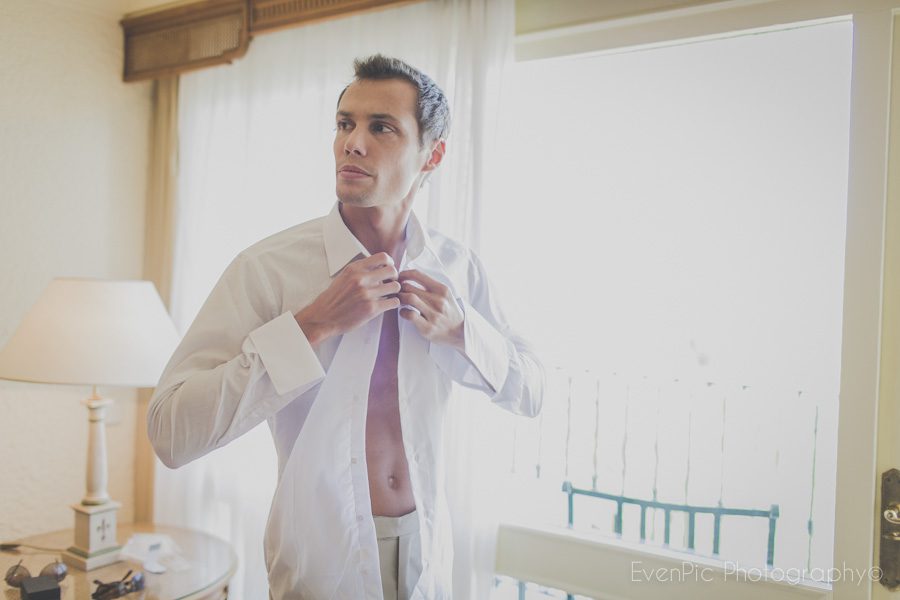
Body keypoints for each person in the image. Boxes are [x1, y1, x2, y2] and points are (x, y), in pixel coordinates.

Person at [147, 54, 544, 600]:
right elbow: (170, 432)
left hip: (428, 556)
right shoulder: (267, 269)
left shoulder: (457, 269)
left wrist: (462, 332)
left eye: (380, 127)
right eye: (344, 123)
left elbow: (532, 392)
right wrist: (311, 325)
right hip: (323, 561)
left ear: (434, 154)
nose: (351, 143)